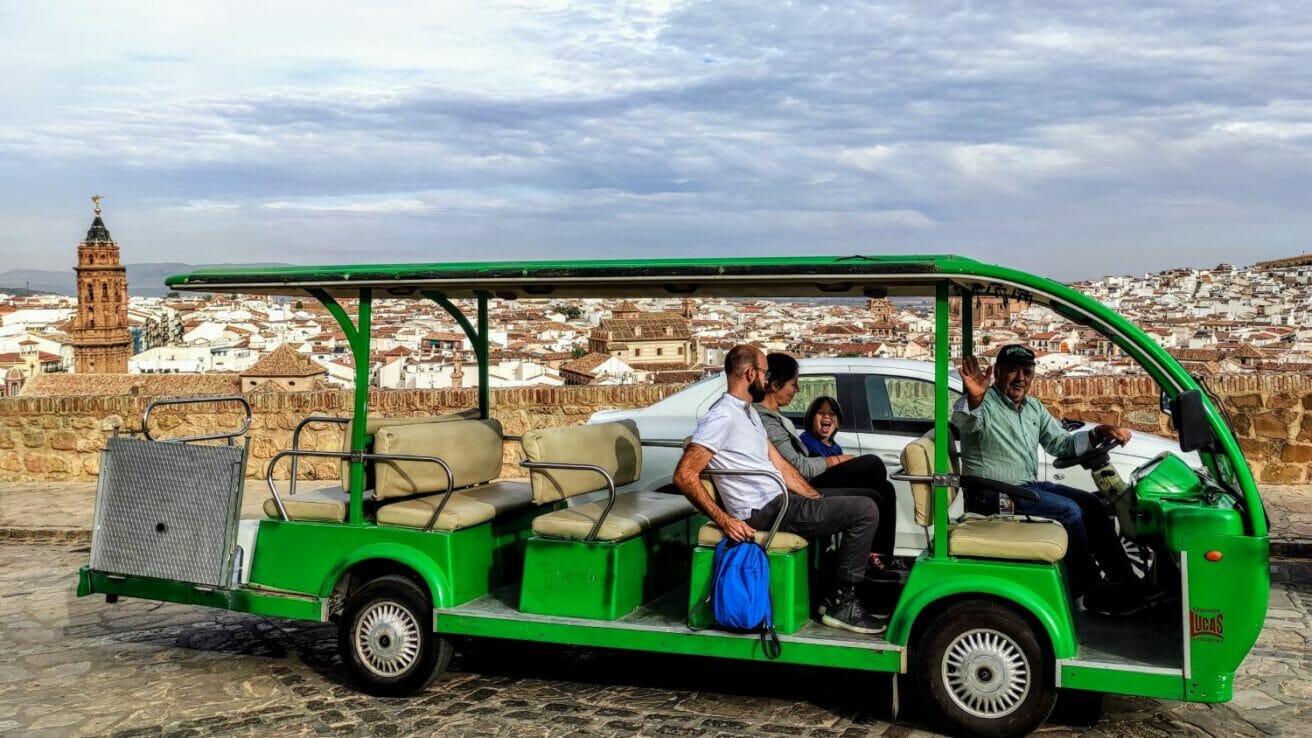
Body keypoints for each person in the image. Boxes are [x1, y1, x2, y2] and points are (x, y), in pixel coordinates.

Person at [673, 345, 888, 635]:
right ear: (750, 374)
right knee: (865, 510)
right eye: (764, 373)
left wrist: (816, 497)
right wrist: (725, 520)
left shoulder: (748, 413)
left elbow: (783, 467)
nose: (766, 379)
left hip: (780, 501)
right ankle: (842, 603)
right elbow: (685, 475)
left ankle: (834, 591)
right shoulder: (722, 415)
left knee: (863, 500)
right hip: (763, 511)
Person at [953, 344, 1144, 615]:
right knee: (1070, 511)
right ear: (997, 372)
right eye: (1013, 371)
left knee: (1092, 504)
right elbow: (967, 423)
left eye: (1027, 372)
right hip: (992, 494)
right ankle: (1088, 587)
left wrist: (1099, 432)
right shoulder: (983, 402)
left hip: (1025, 488)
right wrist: (975, 398)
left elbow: (1060, 444)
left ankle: (1124, 581)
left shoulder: (1032, 408)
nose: (1020, 378)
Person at [752, 354, 898, 575]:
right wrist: (839, 460)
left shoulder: (775, 417)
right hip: (803, 483)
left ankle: (877, 557)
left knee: (883, 490)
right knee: (873, 464)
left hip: (807, 478)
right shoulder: (767, 421)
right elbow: (800, 468)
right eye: (793, 384)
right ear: (775, 385)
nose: (796, 390)